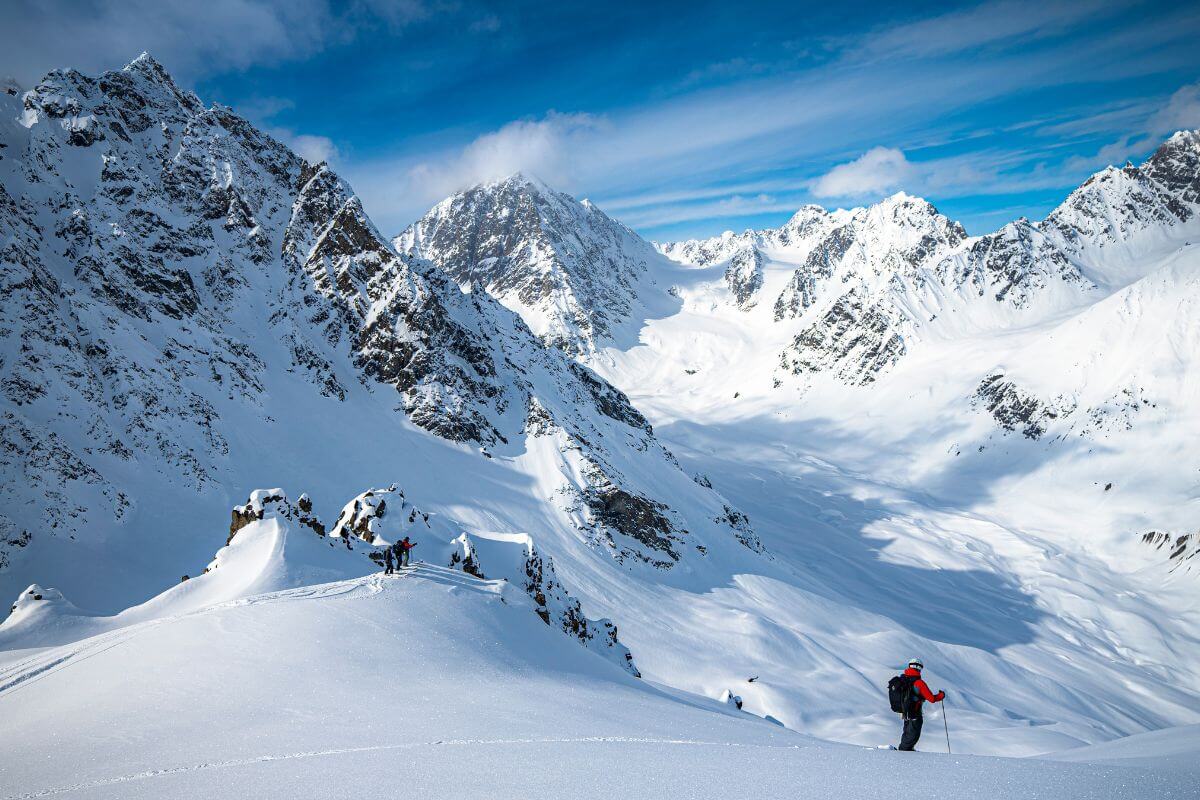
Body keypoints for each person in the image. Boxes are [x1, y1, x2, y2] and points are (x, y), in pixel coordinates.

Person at [898, 658, 945, 751]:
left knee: (907, 733)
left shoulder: (903, 679)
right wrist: (941, 695)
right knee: (913, 735)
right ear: (918, 667)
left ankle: (903, 751)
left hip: (905, 712)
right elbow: (931, 699)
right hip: (915, 713)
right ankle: (904, 753)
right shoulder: (919, 683)